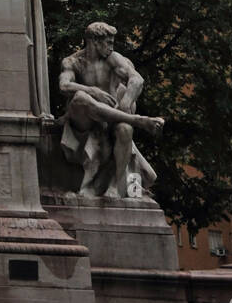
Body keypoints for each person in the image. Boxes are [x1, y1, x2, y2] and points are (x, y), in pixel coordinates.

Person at [59, 21, 164, 198]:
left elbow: (137, 80)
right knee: (80, 97)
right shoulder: (73, 61)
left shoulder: (113, 58)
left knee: (125, 129)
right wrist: (92, 91)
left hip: (111, 116)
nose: (111, 47)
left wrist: (125, 103)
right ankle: (138, 120)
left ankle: (115, 185)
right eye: (108, 43)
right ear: (93, 41)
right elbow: (64, 86)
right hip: (85, 118)